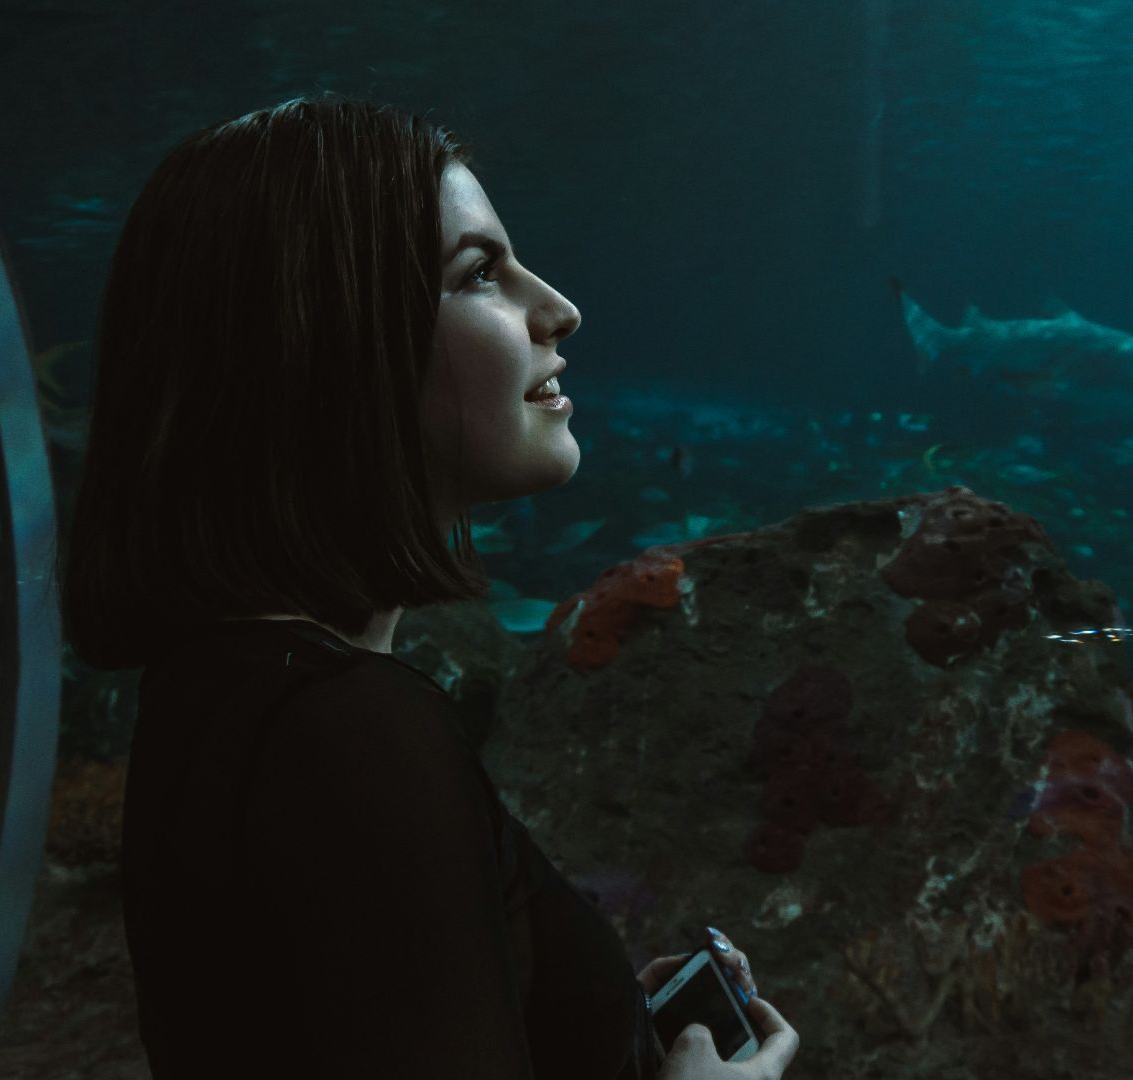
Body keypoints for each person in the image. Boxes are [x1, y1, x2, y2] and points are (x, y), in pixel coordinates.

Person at [54, 92, 800, 1078]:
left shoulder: (213, 688)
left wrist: (576, 1007)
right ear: (325, 340)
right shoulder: (350, 732)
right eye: (481, 273)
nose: (558, 309)